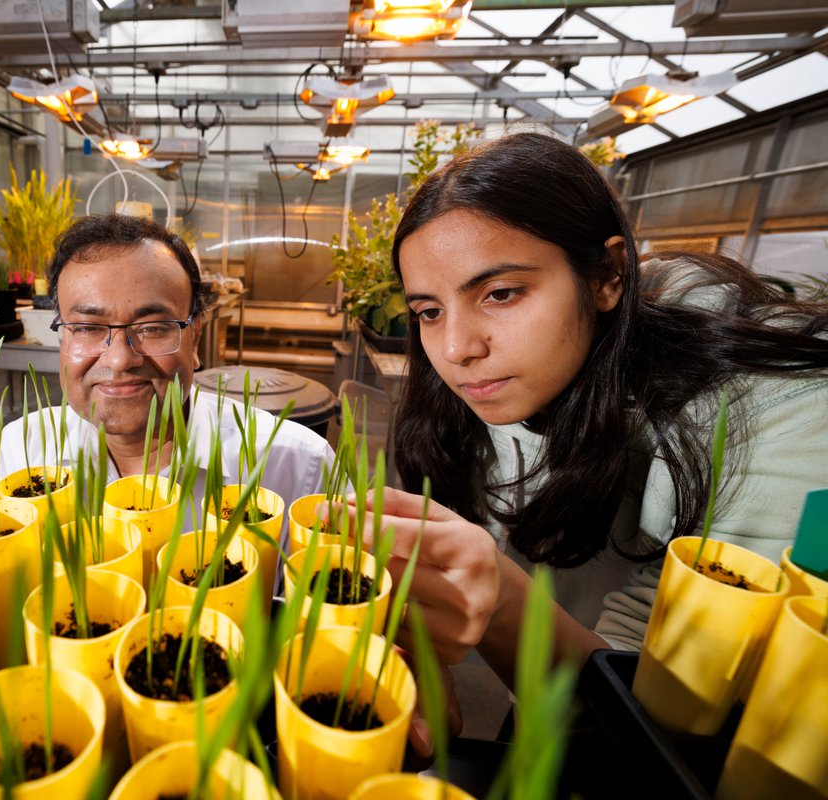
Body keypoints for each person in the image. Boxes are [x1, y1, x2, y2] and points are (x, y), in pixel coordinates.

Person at [348, 132, 828, 687]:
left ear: (608, 275)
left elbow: (671, 699)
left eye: (501, 293)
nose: (456, 349)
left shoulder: (770, 407)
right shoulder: (504, 384)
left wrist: (503, 603)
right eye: (429, 311)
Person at [0, 213, 333, 539]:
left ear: (195, 339)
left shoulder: (296, 467)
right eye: (88, 327)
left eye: (153, 327)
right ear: (61, 338)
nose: (120, 359)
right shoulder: (20, 453)